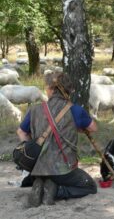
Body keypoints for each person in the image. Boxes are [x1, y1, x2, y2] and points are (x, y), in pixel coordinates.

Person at [16, 72, 98, 208]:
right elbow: (93, 128)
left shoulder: (35, 110)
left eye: (46, 87)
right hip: (64, 169)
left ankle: (42, 182)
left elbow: (21, 132)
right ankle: (57, 191)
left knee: (48, 174)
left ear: (52, 89)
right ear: (67, 90)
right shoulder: (76, 110)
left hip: (38, 168)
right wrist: (77, 126)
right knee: (90, 186)